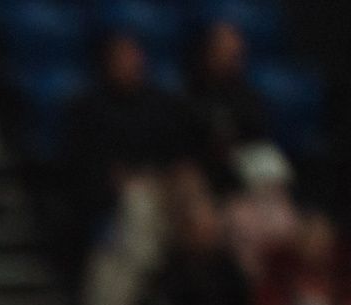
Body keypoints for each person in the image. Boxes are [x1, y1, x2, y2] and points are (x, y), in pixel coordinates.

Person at [59, 32, 212, 245]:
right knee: (140, 205)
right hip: (114, 195)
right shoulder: (87, 109)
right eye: (122, 57)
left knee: (198, 199)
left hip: (161, 182)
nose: (131, 63)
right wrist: (117, 178)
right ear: (107, 62)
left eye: (135, 56)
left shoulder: (161, 104)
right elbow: (81, 164)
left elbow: (179, 152)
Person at [190, 19, 274, 177]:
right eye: (226, 52)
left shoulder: (248, 96)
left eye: (237, 55)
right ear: (209, 52)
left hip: (243, 162)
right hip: (200, 166)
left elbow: (258, 138)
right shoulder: (188, 94)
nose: (233, 60)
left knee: (269, 163)